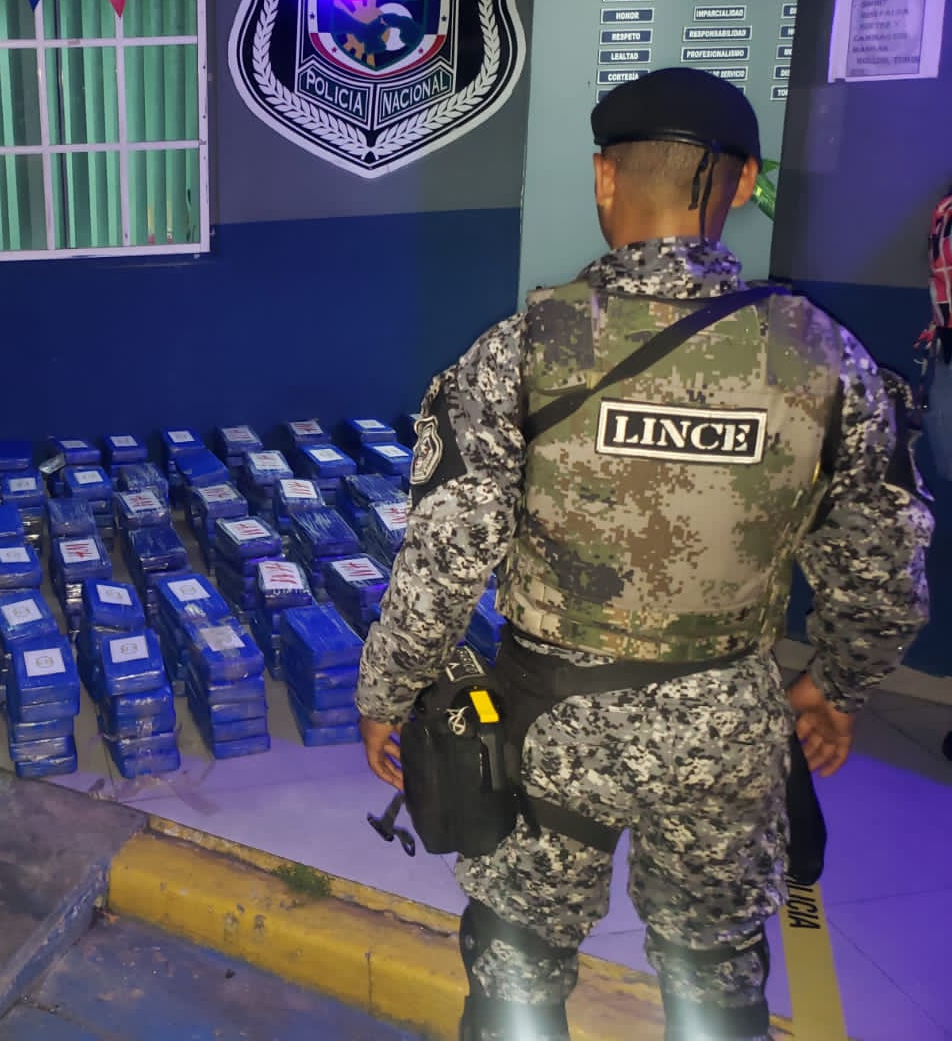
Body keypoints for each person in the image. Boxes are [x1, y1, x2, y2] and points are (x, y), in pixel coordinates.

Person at [356, 67, 933, 1041]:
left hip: (550, 730)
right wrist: (835, 687)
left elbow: (445, 560)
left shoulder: (520, 350)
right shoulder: (825, 359)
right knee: (713, 970)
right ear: (741, 185)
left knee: (517, 962)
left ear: (603, 177)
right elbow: (884, 572)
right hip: (727, 730)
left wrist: (390, 692)